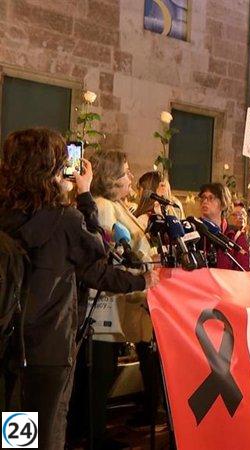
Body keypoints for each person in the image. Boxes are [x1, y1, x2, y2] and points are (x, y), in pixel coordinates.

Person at [0, 128, 155, 450]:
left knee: (16, 426)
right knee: (49, 426)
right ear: (53, 169)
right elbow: (98, 257)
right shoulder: (65, 219)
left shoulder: (6, 214)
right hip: (48, 344)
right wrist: (83, 195)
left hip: (9, 339)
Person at [87, 149, 160, 433]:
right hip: (104, 305)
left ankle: (95, 432)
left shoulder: (118, 204)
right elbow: (111, 256)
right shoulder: (104, 206)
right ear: (112, 178)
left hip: (118, 302)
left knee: (104, 373)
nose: (131, 177)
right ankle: (93, 435)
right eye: (126, 172)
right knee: (100, 373)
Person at [198, 183, 250, 270]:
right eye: (203, 197)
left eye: (211, 198)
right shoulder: (193, 230)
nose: (205, 201)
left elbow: (243, 269)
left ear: (223, 204)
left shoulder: (235, 235)